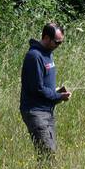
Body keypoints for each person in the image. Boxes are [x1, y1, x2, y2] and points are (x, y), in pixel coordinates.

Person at [19, 22, 71, 158]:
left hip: (47, 110)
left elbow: (43, 86)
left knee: (50, 150)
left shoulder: (48, 54)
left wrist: (57, 91)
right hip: (35, 111)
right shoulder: (34, 56)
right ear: (46, 38)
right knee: (47, 153)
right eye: (57, 42)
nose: (58, 46)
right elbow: (37, 88)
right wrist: (59, 97)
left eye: (61, 43)